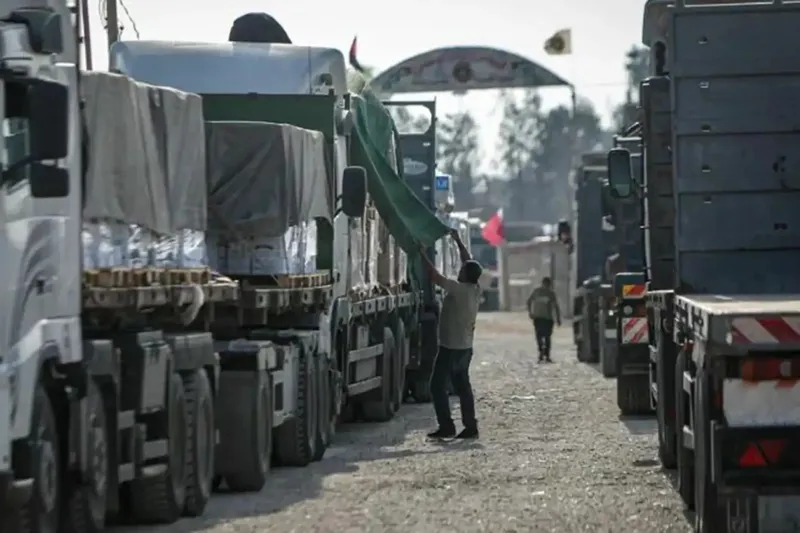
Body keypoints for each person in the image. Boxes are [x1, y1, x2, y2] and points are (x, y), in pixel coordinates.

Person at [419, 229, 482, 439]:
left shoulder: (458, 289)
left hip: (450, 347)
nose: (459, 271)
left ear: (465, 275)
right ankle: (470, 425)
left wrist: (421, 254)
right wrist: (458, 241)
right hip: (465, 347)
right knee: (463, 386)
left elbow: (434, 276)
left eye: (462, 271)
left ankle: (447, 426)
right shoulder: (474, 289)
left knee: (437, 386)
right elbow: (469, 262)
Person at [527, 277, 562, 363]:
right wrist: (530, 312)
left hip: (548, 319)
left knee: (547, 337)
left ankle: (547, 354)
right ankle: (541, 352)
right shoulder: (536, 292)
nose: (546, 286)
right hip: (538, 318)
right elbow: (529, 301)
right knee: (539, 336)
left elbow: (555, 306)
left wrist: (558, 318)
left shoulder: (551, 294)